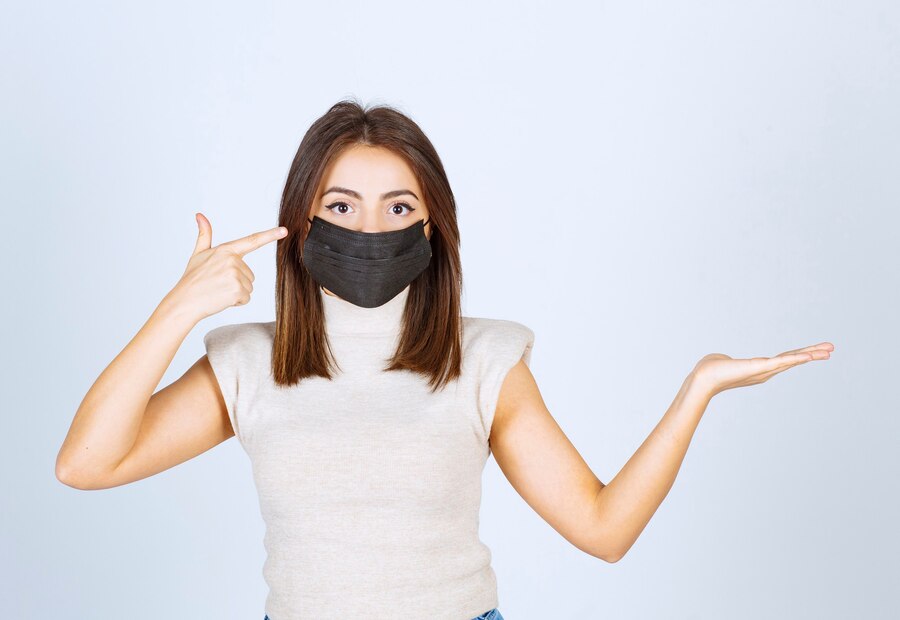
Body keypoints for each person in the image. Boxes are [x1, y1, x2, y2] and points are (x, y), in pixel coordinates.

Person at [55, 99, 833, 619]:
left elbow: (604, 530)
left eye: (398, 207)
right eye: (340, 205)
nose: (369, 228)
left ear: (431, 228)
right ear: (300, 220)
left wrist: (698, 389)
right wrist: (179, 308)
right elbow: (86, 464)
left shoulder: (485, 359)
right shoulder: (249, 362)